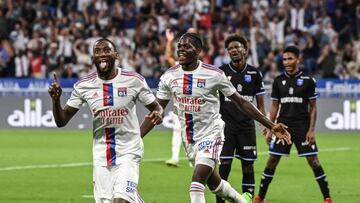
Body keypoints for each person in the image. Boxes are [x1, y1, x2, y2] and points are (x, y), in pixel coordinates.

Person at [141, 32, 291, 203]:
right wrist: (137, 137)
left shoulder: (214, 74)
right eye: (179, 46)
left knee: (196, 184)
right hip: (189, 139)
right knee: (215, 184)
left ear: (198, 51)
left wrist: (271, 125)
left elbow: (241, 102)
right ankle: (241, 201)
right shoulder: (169, 76)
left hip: (211, 134)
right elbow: (157, 110)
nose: (181, 49)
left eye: (186, 46)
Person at [48, 38, 163, 203]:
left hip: (129, 151)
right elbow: (62, 121)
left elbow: (157, 108)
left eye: (106, 50)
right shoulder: (83, 86)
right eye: (98, 51)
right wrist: (55, 100)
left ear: (115, 55)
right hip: (101, 154)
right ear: (93, 58)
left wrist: (158, 114)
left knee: (121, 200)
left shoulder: (134, 80)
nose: (102, 54)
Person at [253, 45, 333, 203]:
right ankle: (260, 197)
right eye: (284, 59)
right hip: (283, 127)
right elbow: (275, 106)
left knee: (313, 161)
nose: (287, 62)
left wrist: (311, 130)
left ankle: (327, 198)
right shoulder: (278, 81)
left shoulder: (308, 81)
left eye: (290, 58)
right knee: (272, 160)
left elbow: (313, 108)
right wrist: (270, 128)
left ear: (298, 59)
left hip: (302, 128)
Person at [216, 33, 266, 203]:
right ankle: (220, 200)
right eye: (230, 48)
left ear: (245, 50)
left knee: (248, 164)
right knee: (224, 165)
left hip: (246, 126)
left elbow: (260, 104)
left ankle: (248, 198)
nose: (234, 50)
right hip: (226, 127)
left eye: (237, 47)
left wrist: (264, 125)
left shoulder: (254, 73)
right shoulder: (221, 72)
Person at [163, 28, 182, 167]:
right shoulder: (177, 67)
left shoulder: (200, 69)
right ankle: (175, 157)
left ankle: (200, 158)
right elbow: (168, 57)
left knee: (196, 133)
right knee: (177, 130)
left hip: (197, 105)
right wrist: (169, 42)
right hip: (179, 105)